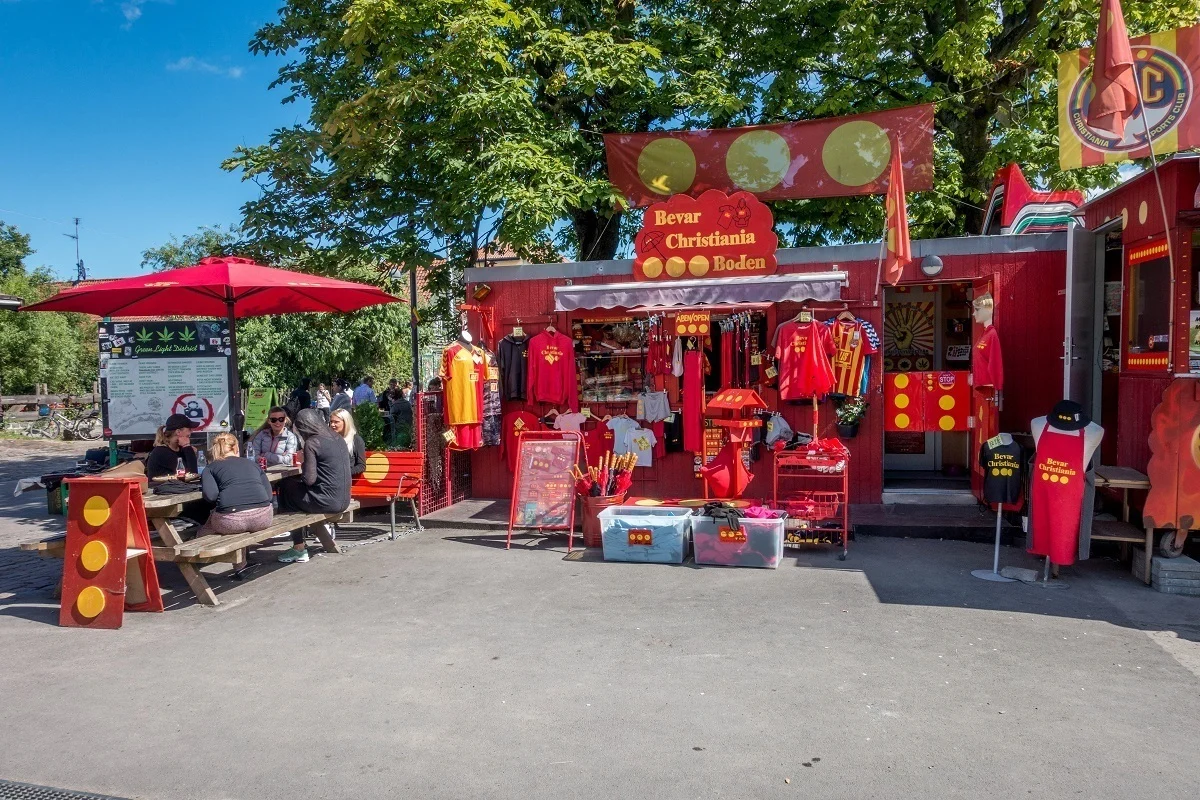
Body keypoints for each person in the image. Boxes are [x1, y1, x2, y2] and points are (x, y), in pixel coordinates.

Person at [276, 409, 352, 563]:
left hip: (327, 502)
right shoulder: (337, 437)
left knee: (285, 487)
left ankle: (298, 547)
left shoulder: (313, 443)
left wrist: (304, 461)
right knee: (292, 489)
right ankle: (303, 543)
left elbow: (309, 479)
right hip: (344, 499)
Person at [197, 433, 273, 538]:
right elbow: (269, 496)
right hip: (263, 517)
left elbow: (211, 496)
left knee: (204, 532)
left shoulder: (210, 468)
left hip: (230, 521)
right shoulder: (253, 464)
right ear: (236, 448)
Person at [146, 413, 201, 480]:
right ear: (178, 432)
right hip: (161, 488)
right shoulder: (161, 452)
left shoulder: (180, 450)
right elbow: (191, 474)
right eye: (189, 429)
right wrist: (187, 448)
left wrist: (189, 452)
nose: (190, 432)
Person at [330, 408, 367, 476]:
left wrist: (343, 474)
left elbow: (361, 466)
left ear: (346, 422)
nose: (332, 425)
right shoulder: (329, 439)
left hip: (346, 481)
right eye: (331, 422)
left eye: (336, 422)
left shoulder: (356, 440)